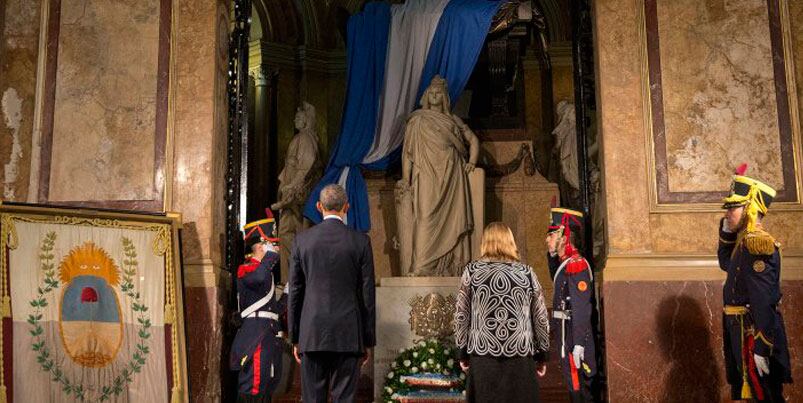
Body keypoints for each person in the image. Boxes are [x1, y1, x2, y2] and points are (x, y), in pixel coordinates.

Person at [288, 184, 376, 403]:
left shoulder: (301, 241)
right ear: (346, 207)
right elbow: (368, 295)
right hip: (348, 334)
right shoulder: (360, 241)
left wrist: (295, 337)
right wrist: (367, 340)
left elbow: (295, 292)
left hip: (312, 333)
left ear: (319, 207)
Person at [454, 222, 550, 403]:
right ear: (510, 242)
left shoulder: (472, 272)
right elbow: (540, 316)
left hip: (483, 355)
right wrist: (542, 354)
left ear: (485, 242)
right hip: (520, 356)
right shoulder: (526, 273)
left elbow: (461, 315)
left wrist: (462, 351)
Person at [718, 165, 791, 401]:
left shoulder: (758, 245)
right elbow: (726, 264)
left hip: (752, 332)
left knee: (765, 395)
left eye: (733, 208)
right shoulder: (744, 243)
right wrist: (727, 231)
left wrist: (762, 347)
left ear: (750, 208)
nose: (727, 212)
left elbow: (764, 300)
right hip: (739, 330)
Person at [229, 210, 285, 402]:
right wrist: (270, 257)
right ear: (261, 246)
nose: (276, 248)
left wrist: (287, 295)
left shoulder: (265, 272)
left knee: (268, 386)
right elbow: (259, 277)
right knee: (253, 387)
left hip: (269, 334)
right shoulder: (247, 268)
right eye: (272, 244)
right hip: (256, 336)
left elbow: (272, 311)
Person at [546, 207, 597, 402]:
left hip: (575, 336)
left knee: (581, 389)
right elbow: (557, 278)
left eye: (551, 235)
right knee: (573, 385)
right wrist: (552, 254)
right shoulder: (566, 262)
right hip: (566, 334)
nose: (547, 240)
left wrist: (578, 344)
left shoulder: (577, 264)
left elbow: (582, 308)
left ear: (564, 237)